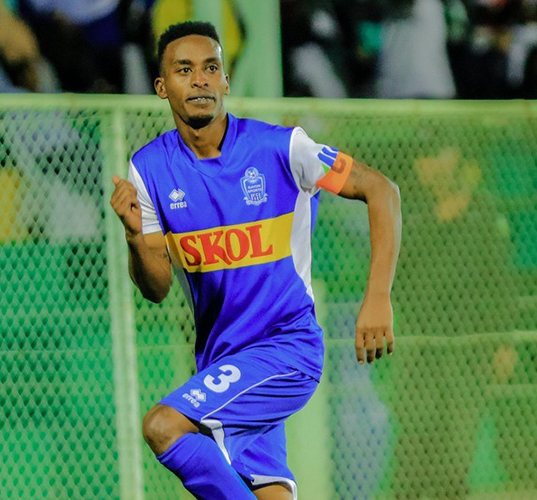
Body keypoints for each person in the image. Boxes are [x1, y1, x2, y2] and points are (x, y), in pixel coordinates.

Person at [108, 21, 402, 500]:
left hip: (288, 350)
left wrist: (377, 297)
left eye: (211, 68)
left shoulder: (281, 148)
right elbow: (156, 288)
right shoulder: (149, 169)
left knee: (164, 426)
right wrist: (135, 237)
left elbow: (381, 190)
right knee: (271, 494)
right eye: (185, 70)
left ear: (225, 81)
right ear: (162, 87)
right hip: (223, 362)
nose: (200, 79)